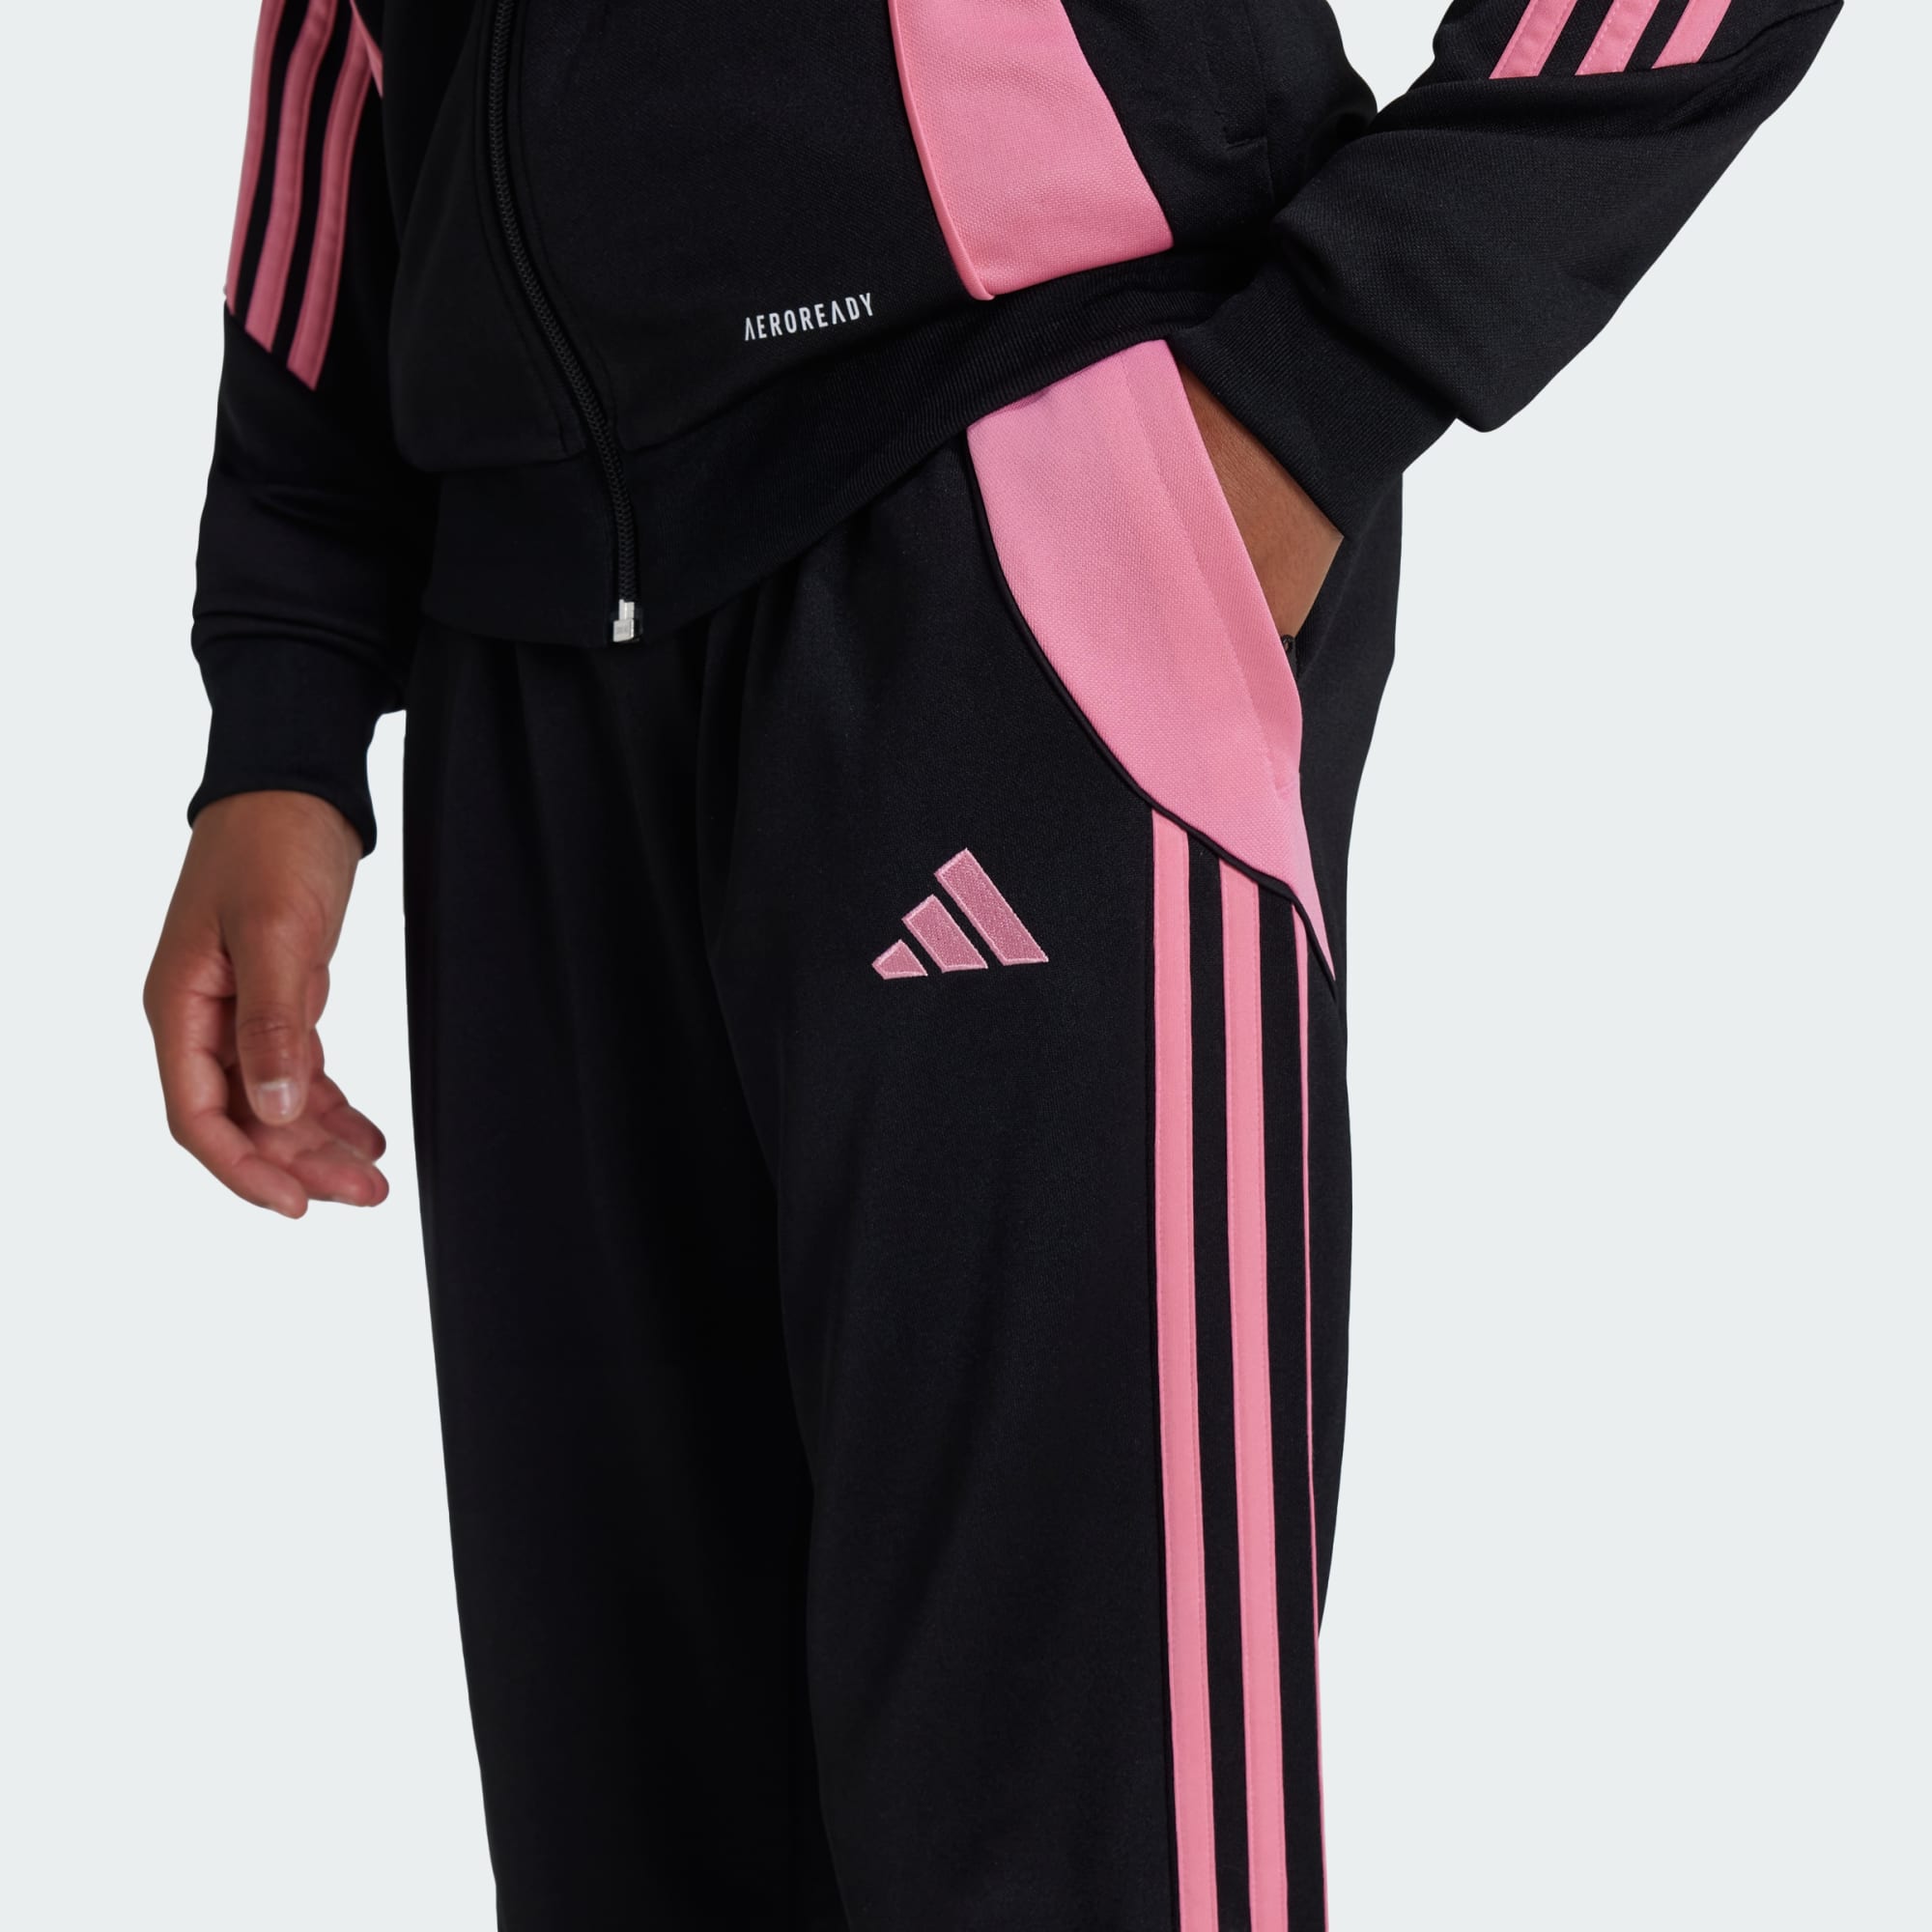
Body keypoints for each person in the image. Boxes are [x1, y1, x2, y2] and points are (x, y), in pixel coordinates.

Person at [145, 1, 1837, 1923]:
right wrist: (283, 697)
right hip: (524, 644)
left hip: (1010, 532)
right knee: (637, 1839)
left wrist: (1315, 391)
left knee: (1067, 1842)